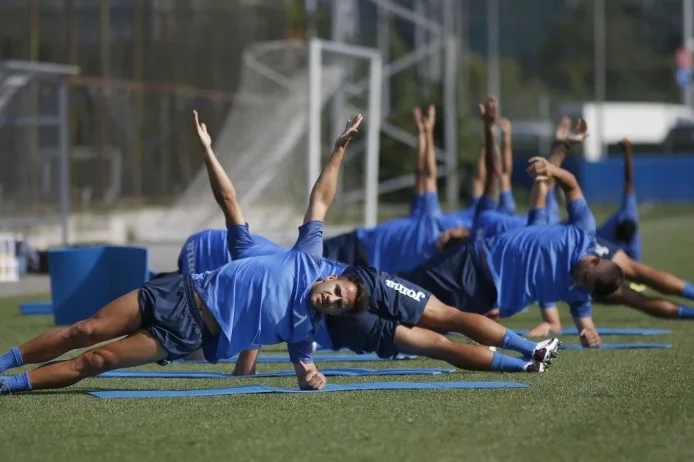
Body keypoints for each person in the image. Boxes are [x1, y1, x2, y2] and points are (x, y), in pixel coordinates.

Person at [0, 111, 369, 397]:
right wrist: (338, 149)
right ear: (329, 277)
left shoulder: (305, 331)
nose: (331, 300)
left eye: (337, 306)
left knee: (96, 361)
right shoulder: (302, 258)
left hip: (187, 333)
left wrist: (313, 378)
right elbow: (278, 200)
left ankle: (4, 386)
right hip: (175, 292)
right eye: (337, 292)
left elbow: (305, 373)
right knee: (82, 331)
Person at [170, 226, 560, 375]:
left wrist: (245, 369)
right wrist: (339, 150)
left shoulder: (237, 274)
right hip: (359, 285)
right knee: (450, 319)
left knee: (438, 345)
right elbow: (233, 203)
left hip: (342, 317)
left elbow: (255, 325)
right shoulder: (246, 248)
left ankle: (523, 366)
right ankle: (529, 349)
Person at [400, 98, 624, 348]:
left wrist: (589, 335)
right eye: (585, 276)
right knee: (405, 291)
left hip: (488, 297)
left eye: (585, 284)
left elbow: (586, 324)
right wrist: (554, 157)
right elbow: (549, 181)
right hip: (474, 263)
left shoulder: (577, 288)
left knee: (426, 320)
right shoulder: (577, 232)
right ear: (595, 260)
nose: (579, 280)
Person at [322, 105, 446, 273]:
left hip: (365, 272)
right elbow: (424, 175)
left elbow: (426, 175)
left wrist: (426, 134)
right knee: (304, 260)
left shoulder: (432, 265)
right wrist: (425, 134)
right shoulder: (432, 222)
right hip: (357, 244)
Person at [596, 139, 641, 261]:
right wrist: (627, 153)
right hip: (593, 237)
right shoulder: (628, 212)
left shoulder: (632, 248)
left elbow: (638, 270)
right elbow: (629, 181)